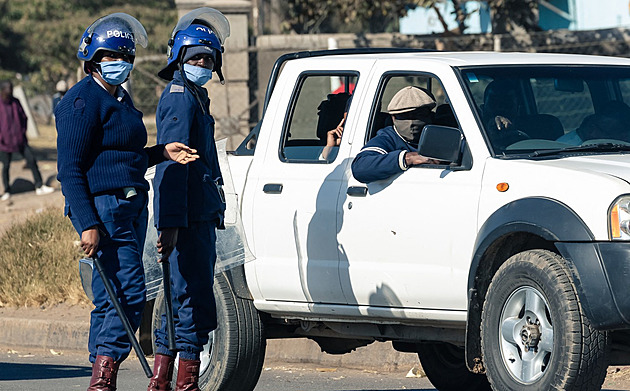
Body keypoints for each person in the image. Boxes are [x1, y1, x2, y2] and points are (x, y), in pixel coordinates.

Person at [54, 13, 199, 391]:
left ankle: (101, 379)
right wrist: (87, 223)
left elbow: (123, 155)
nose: (120, 63)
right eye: (111, 56)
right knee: (131, 292)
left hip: (131, 205)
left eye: (126, 57)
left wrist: (161, 152)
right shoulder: (81, 103)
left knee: (109, 301)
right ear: (92, 59)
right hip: (104, 211)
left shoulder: (118, 96)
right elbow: (69, 170)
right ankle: (105, 372)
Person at [149, 7, 229, 391]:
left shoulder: (195, 95)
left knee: (182, 294)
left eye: (208, 58)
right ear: (180, 59)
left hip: (197, 214)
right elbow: (171, 164)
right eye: (195, 57)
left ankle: (163, 381)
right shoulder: (181, 97)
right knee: (189, 298)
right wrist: (171, 224)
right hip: (187, 219)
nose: (202, 63)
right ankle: (184, 384)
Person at [351, 86, 439, 183]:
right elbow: (360, 168)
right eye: (404, 116)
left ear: (430, 115)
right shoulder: (388, 137)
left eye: (418, 114)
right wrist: (407, 158)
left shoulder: (440, 135)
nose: (411, 121)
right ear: (393, 118)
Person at [0, 80, 55, 201]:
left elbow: (24, 117)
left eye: (11, 87)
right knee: (6, 166)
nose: (10, 90)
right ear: (3, 89)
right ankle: (7, 191)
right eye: (8, 88)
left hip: (20, 140)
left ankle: (39, 185)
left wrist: (22, 131)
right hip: (4, 143)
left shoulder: (16, 102)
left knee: (31, 160)